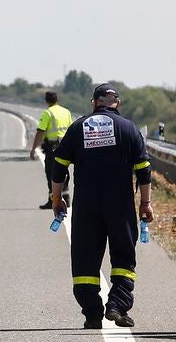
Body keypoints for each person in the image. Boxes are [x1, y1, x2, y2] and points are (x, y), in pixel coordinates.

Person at [51, 83, 153, 329]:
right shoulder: (129, 128)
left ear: (94, 102)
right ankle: (117, 305)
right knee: (123, 256)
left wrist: (57, 198)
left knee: (85, 259)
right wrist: (145, 203)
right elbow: (144, 170)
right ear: (117, 103)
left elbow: (58, 165)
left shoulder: (78, 127)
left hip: (87, 206)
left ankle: (92, 313)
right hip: (120, 205)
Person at [29, 90, 72, 209]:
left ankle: (53, 200)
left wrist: (33, 149)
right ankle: (66, 198)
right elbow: (71, 129)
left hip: (53, 148)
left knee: (52, 174)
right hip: (66, 146)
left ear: (46, 100)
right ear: (57, 99)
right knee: (64, 173)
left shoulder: (48, 113)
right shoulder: (66, 112)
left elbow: (40, 132)